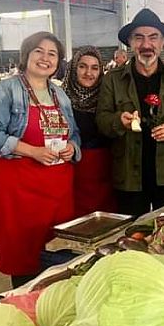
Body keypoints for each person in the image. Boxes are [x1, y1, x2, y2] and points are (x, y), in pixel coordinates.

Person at [0, 31, 81, 288]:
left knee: (54, 243)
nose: (45, 58)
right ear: (26, 54)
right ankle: (24, 292)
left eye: (52, 54)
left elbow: (74, 133)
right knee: (22, 244)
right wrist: (33, 151)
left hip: (56, 184)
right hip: (19, 184)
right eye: (39, 51)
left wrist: (72, 147)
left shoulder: (60, 95)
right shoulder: (6, 91)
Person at [96, 9, 164, 217]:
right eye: (139, 37)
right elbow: (102, 120)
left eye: (153, 37)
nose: (146, 44)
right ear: (130, 43)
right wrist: (118, 121)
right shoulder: (112, 79)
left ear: (162, 43)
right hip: (129, 174)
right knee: (132, 230)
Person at [62, 46, 116, 217]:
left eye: (95, 68)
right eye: (82, 66)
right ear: (73, 68)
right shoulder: (61, 98)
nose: (88, 73)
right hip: (73, 168)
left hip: (106, 169)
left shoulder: (109, 98)